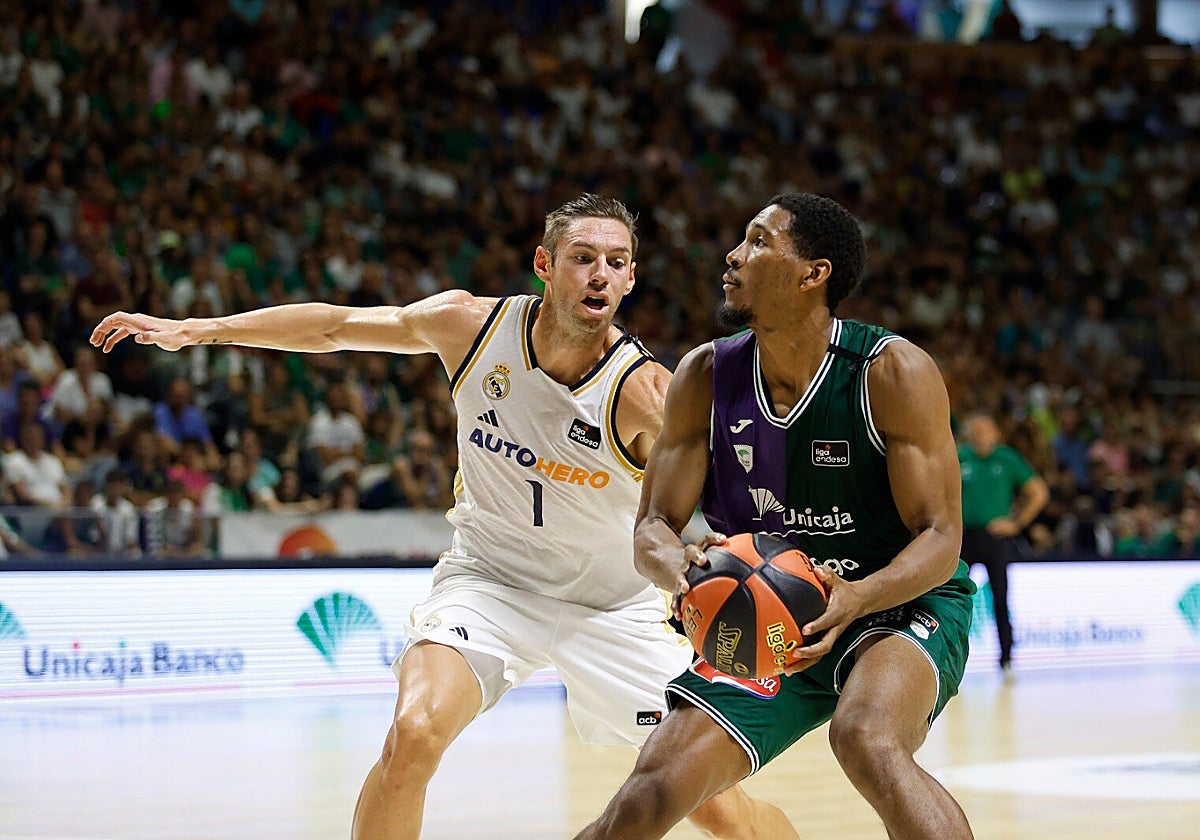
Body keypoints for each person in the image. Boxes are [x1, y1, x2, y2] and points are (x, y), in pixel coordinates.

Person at [91, 194, 795, 840]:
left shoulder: (646, 393)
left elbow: (734, 497)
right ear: (544, 265)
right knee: (413, 736)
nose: (599, 275)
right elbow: (334, 327)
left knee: (718, 809)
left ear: (631, 279)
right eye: (583, 258)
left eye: (616, 263)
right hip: (490, 584)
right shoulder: (470, 327)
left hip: (611, 609)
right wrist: (197, 329)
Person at [576, 193, 977, 840]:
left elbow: (941, 537)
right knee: (650, 793)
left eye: (759, 242)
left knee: (865, 737)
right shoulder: (706, 374)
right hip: (765, 617)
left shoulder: (891, 371)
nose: (733, 256)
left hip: (895, 604)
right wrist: (679, 570)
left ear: (813, 274)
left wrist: (858, 596)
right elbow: (653, 527)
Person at [959, 412, 1049, 671]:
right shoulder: (960, 456)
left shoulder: (1007, 458)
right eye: (975, 431)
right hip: (964, 537)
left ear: (995, 433)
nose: (979, 436)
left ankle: (1007, 657)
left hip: (996, 537)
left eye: (984, 430)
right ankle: (953, 656)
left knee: (1000, 598)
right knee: (956, 598)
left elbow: (1039, 493)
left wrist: (1016, 523)